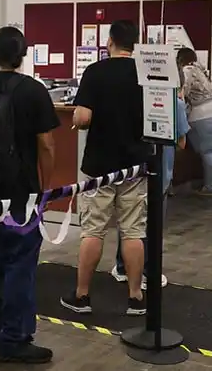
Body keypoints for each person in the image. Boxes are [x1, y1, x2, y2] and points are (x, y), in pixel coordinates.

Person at [0, 26, 59, 363]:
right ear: (22, 54)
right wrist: (44, 189)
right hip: (20, 197)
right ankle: (15, 338)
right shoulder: (33, 91)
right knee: (20, 265)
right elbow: (46, 144)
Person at [59, 20, 149, 317]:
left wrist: (80, 119)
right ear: (134, 43)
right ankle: (136, 297)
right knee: (133, 231)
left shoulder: (95, 72)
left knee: (93, 231)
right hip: (134, 166)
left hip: (99, 166)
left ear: (110, 41)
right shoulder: (145, 73)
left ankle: (82, 296)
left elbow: (83, 117)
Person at [110, 88, 190, 291]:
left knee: (128, 220)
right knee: (152, 224)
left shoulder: (136, 98)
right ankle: (147, 272)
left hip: (133, 169)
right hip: (160, 171)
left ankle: (122, 267)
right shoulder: (176, 104)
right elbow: (181, 143)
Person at [177, 47, 212, 194]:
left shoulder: (187, 70)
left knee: (209, 152)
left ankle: (210, 187)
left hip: (205, 113)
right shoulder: (202, 69)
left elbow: (182, 93)